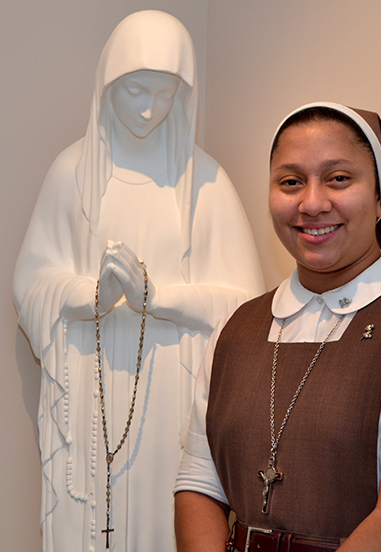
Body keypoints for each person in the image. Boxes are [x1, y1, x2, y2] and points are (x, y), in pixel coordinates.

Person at [174, 102, 381, 552]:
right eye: (291, 181)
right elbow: (198, 485)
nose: (313, 203)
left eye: (339, 178)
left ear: (379, 197)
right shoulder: (235, 327)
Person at [13, 10, 264, 552]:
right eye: (134, 90)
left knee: (166, 513)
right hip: (90, 386)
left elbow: (249, 309)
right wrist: (90, 298)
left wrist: (161, 298)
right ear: (107, 83)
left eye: (167, 93)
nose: (150, 109)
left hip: (170, 391)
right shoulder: (71, 176)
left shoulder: (208, 185)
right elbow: (30, 284)